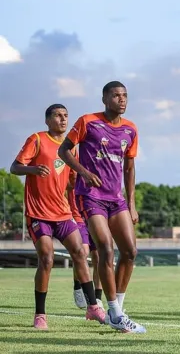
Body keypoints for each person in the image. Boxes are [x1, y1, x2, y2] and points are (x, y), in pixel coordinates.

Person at [58, 81, 146, 333]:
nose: (121, 99)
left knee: (130, 252)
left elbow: (129, 168)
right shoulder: (88, 122)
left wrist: (131, 203)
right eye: (116, 95)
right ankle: (115, 312)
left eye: (125, 95)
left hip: (116, 199)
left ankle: (117, 309)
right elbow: (65, 151)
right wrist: (83, 172)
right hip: (90, 196)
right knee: (106, 250)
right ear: (105, 99)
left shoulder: (131, 129)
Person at [10, 104, 106, 330]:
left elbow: (72, 181)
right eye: (57, 116)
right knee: (47, 259)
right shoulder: (37, 139)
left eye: (65, 116)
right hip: (38, 213)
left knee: (80, 253)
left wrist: (90, 181)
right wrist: (33, 170)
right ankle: (40, 315)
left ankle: (92, 307)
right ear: (47, 120)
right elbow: (15, 167)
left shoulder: (70, 148)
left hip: (62, 213)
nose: (63, 120)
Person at [68, 177, 103, 310]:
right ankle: (78, 285)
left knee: (99, 256)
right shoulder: (72, 160)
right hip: (77, 215)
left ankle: (98, 298)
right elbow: (65, 182)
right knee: (82, 252)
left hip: (96, 213)